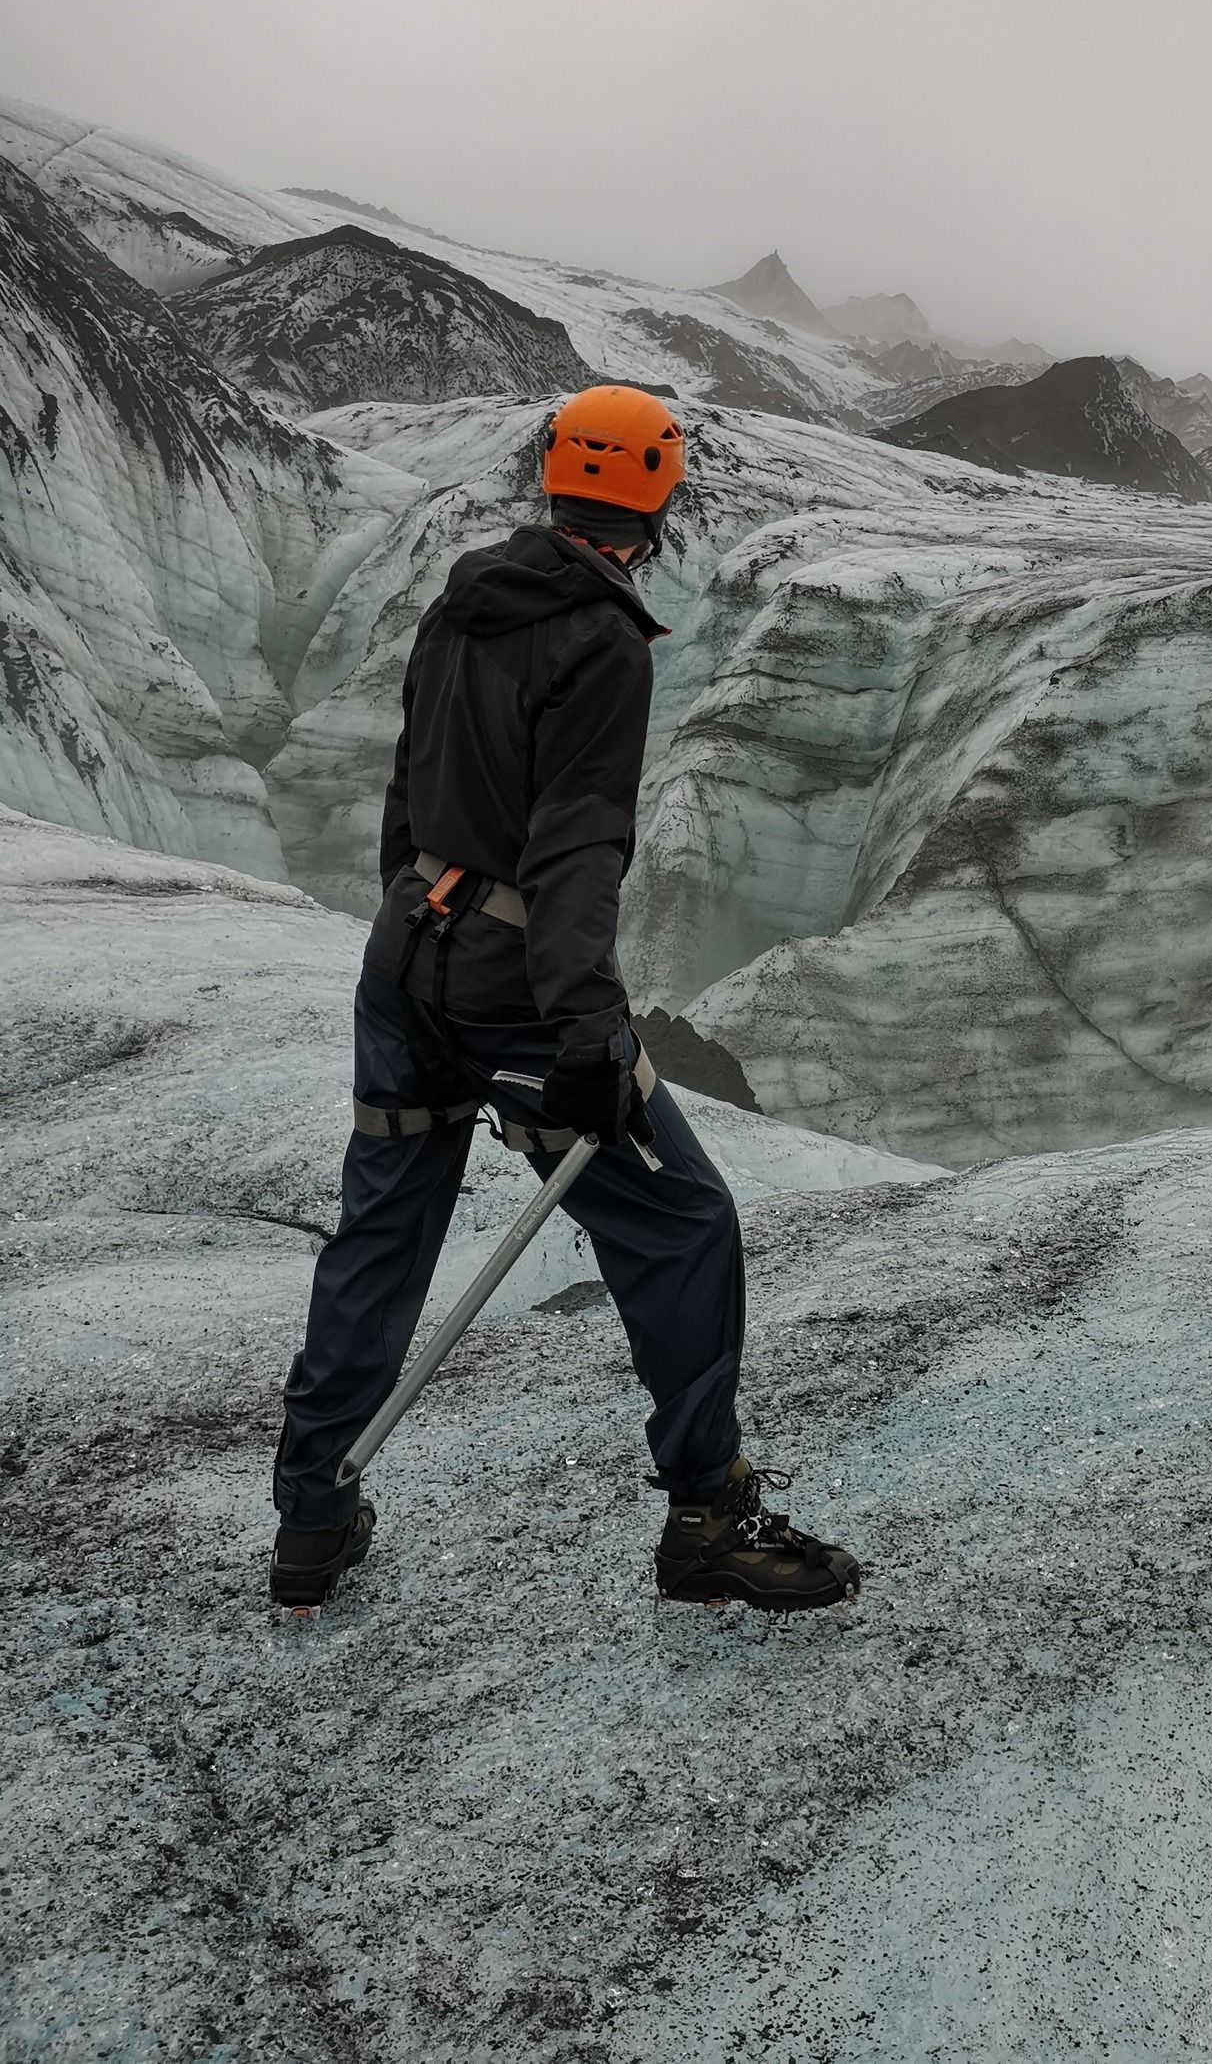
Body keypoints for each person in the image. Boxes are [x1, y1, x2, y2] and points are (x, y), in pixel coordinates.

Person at [269, 384, 859, 1615]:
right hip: (517, 991)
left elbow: (407, 780)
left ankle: (312, 1515)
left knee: (382, 1225)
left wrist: (407, 908)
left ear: (552, 475)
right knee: (685, 1222)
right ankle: (708, 1516)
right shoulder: (599, 639)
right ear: (660, 491)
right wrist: (587, 1021)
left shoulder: (462, 597)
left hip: (405, 961)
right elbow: (578, 844)